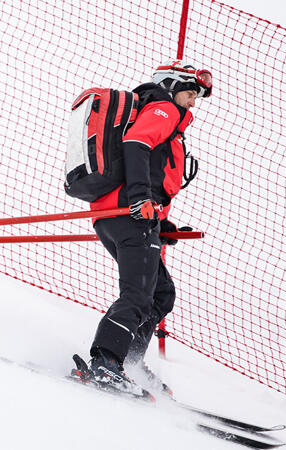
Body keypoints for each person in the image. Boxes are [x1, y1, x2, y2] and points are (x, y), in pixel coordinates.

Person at [85, 61, 212, 395]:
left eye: (196, 95)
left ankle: (127, 360)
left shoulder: (167, 115)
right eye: (189, 91)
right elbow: (136, 144)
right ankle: (106, 362)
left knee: (160, 293)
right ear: (171, 85)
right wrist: (141, 200)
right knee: (139, 295)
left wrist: (162, 222)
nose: (192, 101)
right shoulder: (163, 108)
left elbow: (154, 172)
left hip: (122, 214)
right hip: (128, 213)